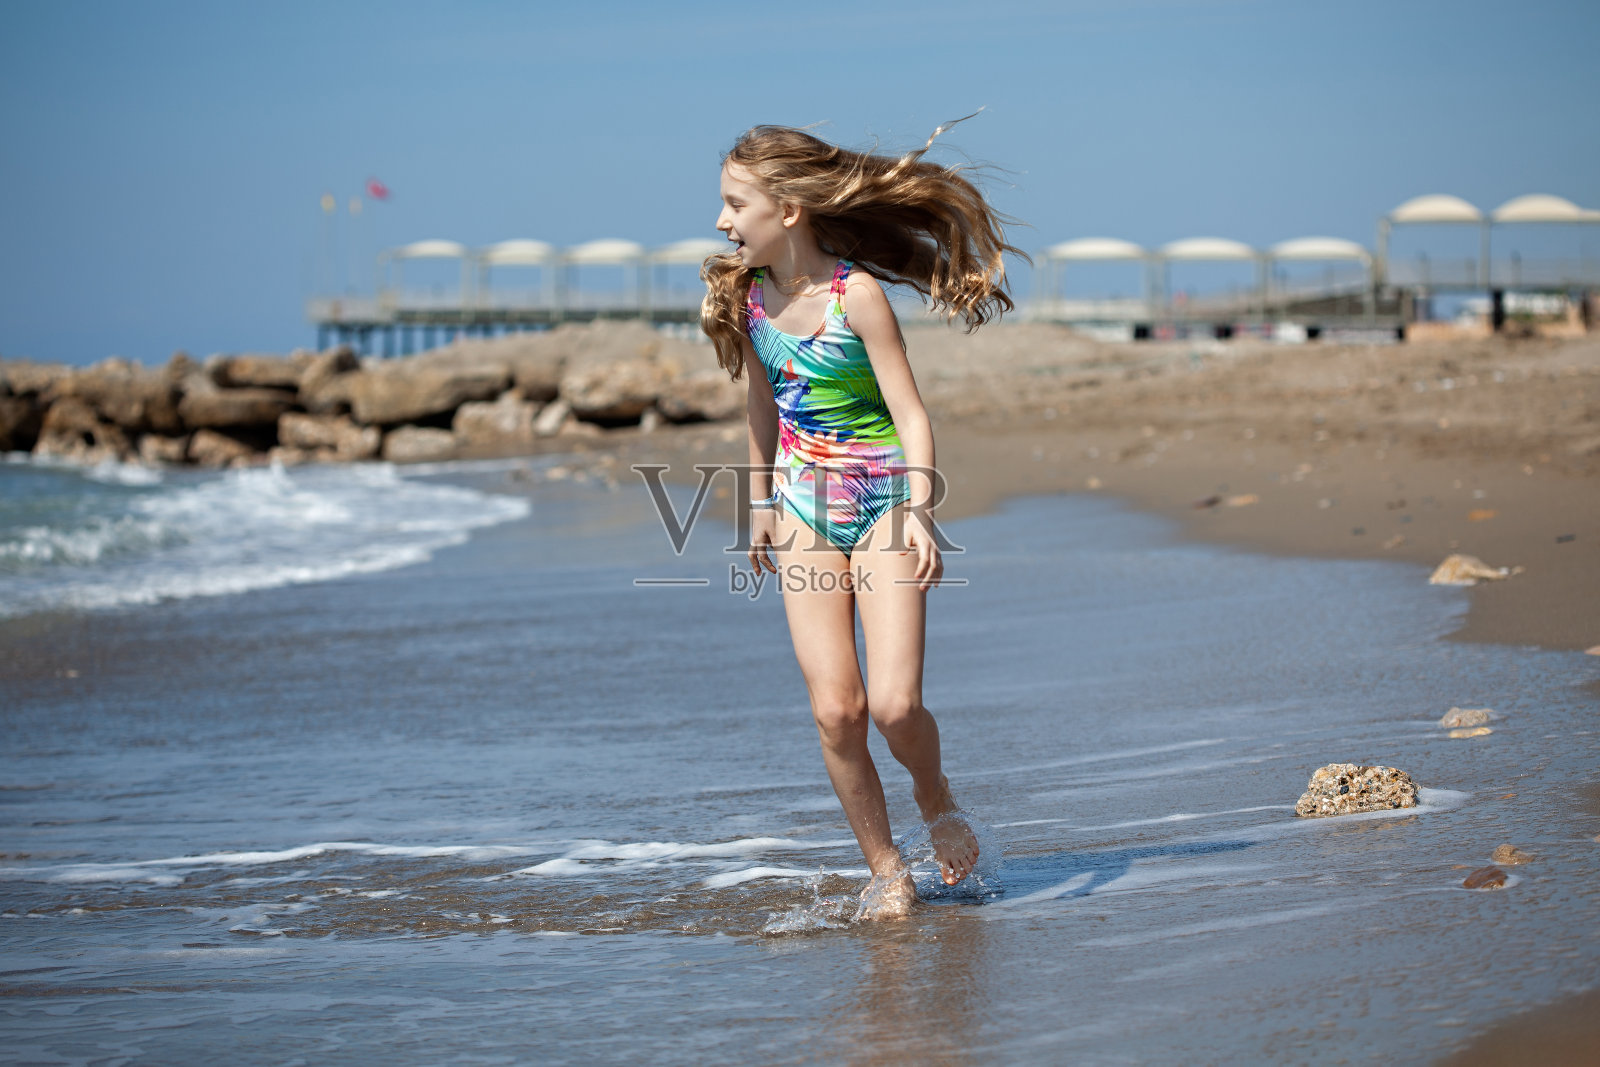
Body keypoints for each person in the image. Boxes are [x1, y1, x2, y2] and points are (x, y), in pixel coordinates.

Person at [701, 119, 1024, 919]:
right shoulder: (748, 302)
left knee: (893, 706)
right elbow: (761, 410)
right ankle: (887, 871)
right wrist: (762, 504)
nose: (721, 221)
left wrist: (920, 511)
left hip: (882, 507)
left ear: (789, 209)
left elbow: (911, 415)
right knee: (836, 710)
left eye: (735, 203)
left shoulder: (858, 295)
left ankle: (934, 791)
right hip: (804, 512)